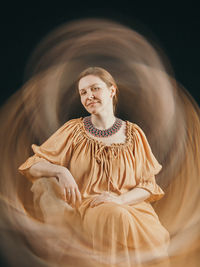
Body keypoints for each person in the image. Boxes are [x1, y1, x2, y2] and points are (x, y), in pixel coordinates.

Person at [18, 67, 170, 267]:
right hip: (92, 207)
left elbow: (148, 185)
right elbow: (32, 165)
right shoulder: (73, 131)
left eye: (94, 89)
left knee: (148, 230)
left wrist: (120, 199)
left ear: (112, 91)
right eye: (83, 92)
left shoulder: (134, 134)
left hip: (132, 208)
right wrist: (60, 171)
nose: (89, 96)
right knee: (114, 216)